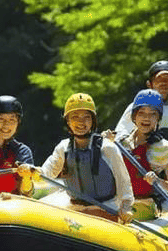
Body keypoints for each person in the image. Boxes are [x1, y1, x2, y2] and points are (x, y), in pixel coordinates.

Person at [35, 92, 134, 223]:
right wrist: (32, 172)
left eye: (86, 117)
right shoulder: (63, 148)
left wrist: (126, 206)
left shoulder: (107, 147)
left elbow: (124, 182)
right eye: (75, 117)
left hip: (105, 208)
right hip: (75, 208)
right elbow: (46, 173)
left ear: (93, 121)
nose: (81, 122)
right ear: (68, 122)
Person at [114, 60, 168, 181]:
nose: (164, 84)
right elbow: (118, 140)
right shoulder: (135, 108)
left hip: (166, 184)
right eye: (159, 80)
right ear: (150, 84)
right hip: (139, 179)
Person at [113, 89, 168, 219]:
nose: (146, 118)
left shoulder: (165, 148)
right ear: (134, 117)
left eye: (152, 114)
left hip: (143, 204)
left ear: (158, 118)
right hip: (117, 202)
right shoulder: (121, 142)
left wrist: (157, 181)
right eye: (141, 113)